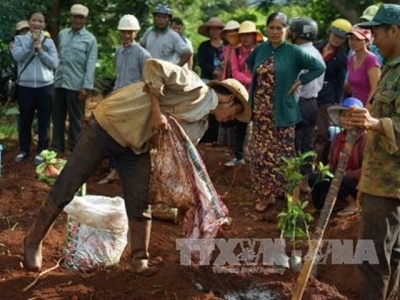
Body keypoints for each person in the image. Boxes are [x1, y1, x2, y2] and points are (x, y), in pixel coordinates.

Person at [23, 58, 251, 276]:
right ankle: (33, 241)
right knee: (68, 184)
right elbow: (154, 67)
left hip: (136, 146)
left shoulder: (201, 125)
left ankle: (139, 259)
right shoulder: (194, 87)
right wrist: (155, 111)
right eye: (234, 114)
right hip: (108, 125)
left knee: (139, 201)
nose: (229, 119)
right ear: (230, 99)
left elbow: (177, 153)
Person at [246, 12, 325, 212]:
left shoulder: (293, 51)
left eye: (279, 28)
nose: (274, 31)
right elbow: (250, 64)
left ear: (287, 30)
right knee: (260, 156)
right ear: (266, 29)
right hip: (260, 113)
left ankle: (292, 196)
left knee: (285, 156)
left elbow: (318, 67)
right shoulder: (260, 49)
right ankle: (266, 196)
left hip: (282, 112)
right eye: (271, 27)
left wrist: (300, 80)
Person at [351, 4, 400, 299]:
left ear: (394, 31)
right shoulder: (391, 68)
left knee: (373, 259)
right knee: (391, 255)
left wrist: (375, 123)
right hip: (383, 180)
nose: (373, 38)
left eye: (377, 32)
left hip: (388, 184)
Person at [98, 15, 151, 185]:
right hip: (118, 98)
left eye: (130, 32)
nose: (127, 35)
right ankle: (114, 170)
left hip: (134, 102)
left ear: (135, 33)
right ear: (120, 33)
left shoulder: (143, 54)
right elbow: (119, 76)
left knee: (132, 137)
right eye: (124, 32)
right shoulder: (118, 52)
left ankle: (130, 172)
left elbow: (147, 80)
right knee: (115, 135)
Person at [11, 10, 59, 165]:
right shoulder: (19, 39)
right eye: (34, 20)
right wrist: (30, 43)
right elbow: (18, 56)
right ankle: (24, 150)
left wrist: (41, 50)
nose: (37, 24)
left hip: (46, 87)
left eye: (40, 21)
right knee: (25, 120)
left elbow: (54, 63)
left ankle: (41, 151)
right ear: (29, 21)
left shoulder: (49, 42)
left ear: (44, 24)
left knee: (44, 121)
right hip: (25, 87)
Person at [51, 4, 98, 154]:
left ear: (85, 20)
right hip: (59, 82)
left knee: (76, 120)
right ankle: (57, 148)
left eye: (81, 18)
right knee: (57, 117)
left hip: (77, 85)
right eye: (75, 16)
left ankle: (74, 150)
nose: (77, 20)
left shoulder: (90, 39)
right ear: (70, 17)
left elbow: (90, 64)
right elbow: (59, 57)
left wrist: (86, 86)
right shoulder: (63, 34)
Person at [308, 97, 365, 216]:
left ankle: (353, 202)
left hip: (356, 183)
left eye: (351, 116)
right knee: (315, 178)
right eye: (344, 115)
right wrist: (326, 170)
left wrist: (347, 174)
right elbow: (332, 162)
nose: (347, 119)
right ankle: (331, 204)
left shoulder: (365, 139)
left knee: (338, 178)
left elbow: (366, 169)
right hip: (337, 176)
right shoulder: (338, 138)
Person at [289, 17, 325, 192]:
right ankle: (305, 181)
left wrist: (290, 109)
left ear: (295, 32)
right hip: (312, 103)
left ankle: (296, 182)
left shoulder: (299, 55)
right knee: (307, 143)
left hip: (299, 103)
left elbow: (296, 86)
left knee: (294, 143)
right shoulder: (317, 53)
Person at [224, 21, 264, 167]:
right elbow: (235, 72)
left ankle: (258, 157)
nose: (246, 38)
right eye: (243, 35)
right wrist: (252, 81)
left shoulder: (262, 50)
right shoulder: (235, 51)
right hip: (243, 92)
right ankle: (239, 156)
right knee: (241, 123)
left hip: (260, 92)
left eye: (249, 34)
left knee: (260, 124)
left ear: (254, 36)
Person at [314, 18, 351, 163]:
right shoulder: (316, 47)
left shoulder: (341, 58)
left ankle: (315, 166)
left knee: (321, 133)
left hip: (326, 98)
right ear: (330, 33)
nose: (336, 39)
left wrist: (335, 105)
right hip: (308, 95)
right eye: (335, 35)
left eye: (341, 37)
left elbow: (340, 83)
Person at [197, 17, 226, 145]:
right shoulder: (203, 46)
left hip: (224, 80)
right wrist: (215, 72)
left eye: (217, 29)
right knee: (206, 109)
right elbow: (202, 63)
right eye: (212, 29)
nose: (215, 31)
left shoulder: (227, 46)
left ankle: (219, 138)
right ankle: (205, 137)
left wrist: (222, 74)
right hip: (207, 80)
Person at [345, 25, 381, 107]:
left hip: (368, 108)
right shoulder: (350, 59)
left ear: (366, 41)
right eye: (351, 38)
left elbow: (375, 89)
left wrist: (366, 110)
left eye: (358, 39)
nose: (353, 42)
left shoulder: (371, 59)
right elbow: (350, 86)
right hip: (353, 105)